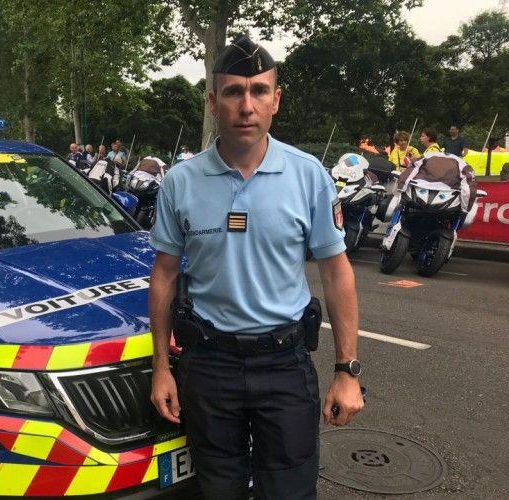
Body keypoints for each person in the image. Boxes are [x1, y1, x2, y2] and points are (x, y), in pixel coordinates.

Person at [148, 35, 363, 500]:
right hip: (209, 368)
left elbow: (336, 271)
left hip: (284, 367)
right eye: (233, 92)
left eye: (259, 91)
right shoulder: (180, 183)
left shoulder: (309, 177)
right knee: (218, 490)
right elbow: (164, 274)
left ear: (275, 100)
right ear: (212, 101)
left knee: (290, 491)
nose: (247, 105)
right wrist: (162, 368)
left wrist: (347, 371)